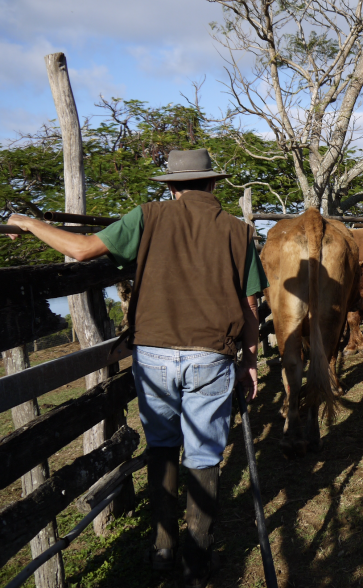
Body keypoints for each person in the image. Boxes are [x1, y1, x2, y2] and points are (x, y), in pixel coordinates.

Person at [6, 149, 267, 588]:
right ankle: (197, 564)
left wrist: (27, 222)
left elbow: (82, 248)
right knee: (203, 455)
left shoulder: (147, 216)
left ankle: (162, 551)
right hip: (212, 354)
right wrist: (251, 361)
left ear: (170, 186)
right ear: (212, 184)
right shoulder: (238, 231)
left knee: (163, 446)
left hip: (155, 353)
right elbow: (250, 304)